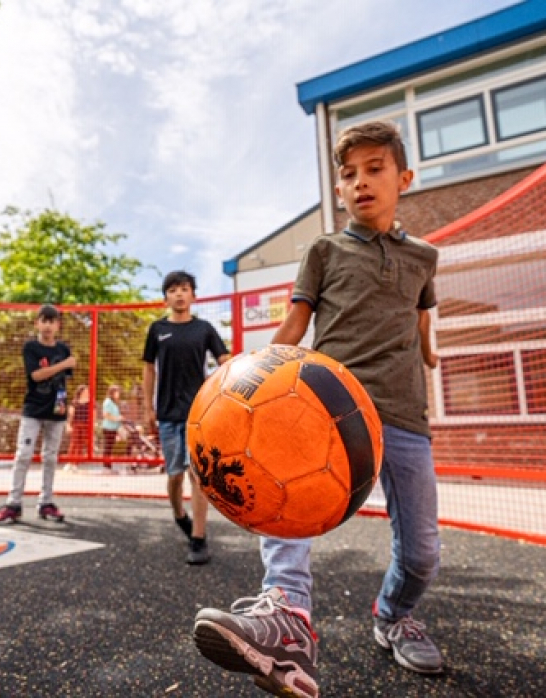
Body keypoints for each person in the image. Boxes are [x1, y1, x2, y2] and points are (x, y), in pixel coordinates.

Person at [192, 121, 443, 697]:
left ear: (403, 178)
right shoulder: (324, 250)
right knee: (282, 497)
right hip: (325, 409)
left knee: (424, 552)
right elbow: (296, 326)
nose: (360, 182)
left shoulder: (424, 258)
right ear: (339, 189)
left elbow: (421, 312)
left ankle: (394, 615)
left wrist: (428, 352)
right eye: (348, 174)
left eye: (375, 168)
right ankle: (287, 617)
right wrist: (250, 372)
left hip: (404, 416)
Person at [143, 270, 231, 565]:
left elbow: (225, 361)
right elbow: (148, 369)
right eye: (173, 289)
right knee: (174, 476)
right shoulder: (157, 330)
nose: (179, 294)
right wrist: (147, 407)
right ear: (165, 297)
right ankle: (179, 513)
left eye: (184, 289)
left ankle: (198, 538)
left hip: (199, 414)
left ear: (193, 295)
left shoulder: (204, 329)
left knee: (198, 476)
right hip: (167, 414)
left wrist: (245, 366)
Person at [0, 304, 76, 524]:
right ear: (37, 323)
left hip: (56, 410)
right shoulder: (31, 348)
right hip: (33, 410)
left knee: (50, 458)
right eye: (43, 321)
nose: (47, 326)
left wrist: (66, 407)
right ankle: (13, 503)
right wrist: (64, 364)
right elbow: (37, 375)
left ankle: (46, 502)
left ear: (58, 325)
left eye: (52, 321)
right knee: (24, 455)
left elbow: (63, 381)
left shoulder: (63, 349)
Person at [66, 385, 92, 458]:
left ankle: (76, 462)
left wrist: (92, 426)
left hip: (86, 425)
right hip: (76, 424)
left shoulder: (91, 402)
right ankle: (70, 461)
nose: (87, 393)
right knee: (74, 442)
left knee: (82, 443)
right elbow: (71, 415)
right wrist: (68, 425)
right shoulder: (75, 402)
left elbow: (94, 415)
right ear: (80, 392)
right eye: (85, 391)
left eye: (87, 391)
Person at [100, 384, 123, 460]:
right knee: (107, 447)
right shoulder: (108, 402)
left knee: (110, 447)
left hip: (113, 428)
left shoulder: (114, 403)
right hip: (108, 428)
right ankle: (106, 466)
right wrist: (117, 418)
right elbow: (106, 415)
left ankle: (108, 465)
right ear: (112, 393)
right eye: (117, 392)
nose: (118, 394)